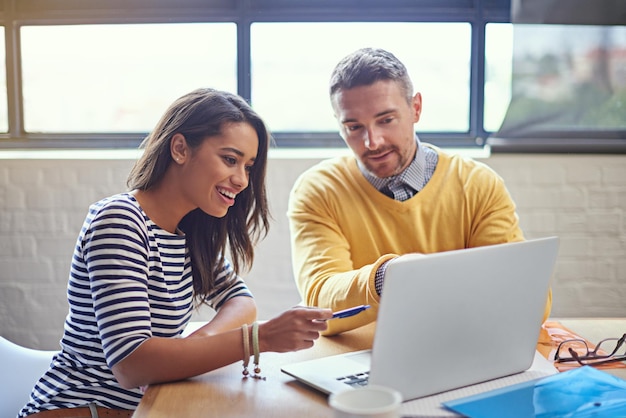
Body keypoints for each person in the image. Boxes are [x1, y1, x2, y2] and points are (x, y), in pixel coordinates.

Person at [19, 88, 332, 417]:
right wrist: (260, 339)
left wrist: (196, 344)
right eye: (230, 159)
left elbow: (241, 300)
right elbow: (132, 365)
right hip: (81, 409)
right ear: (181, 149)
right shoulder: (120, 222)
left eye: (248, 167)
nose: (241, 180)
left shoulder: (188, 232)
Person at [287, 48, 552, 336]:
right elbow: (319, 307)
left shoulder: (477, 185)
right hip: (361, 362)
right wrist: (388, 277)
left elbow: (527, 301)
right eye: (354, 127)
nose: (372, 142)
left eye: (386, 120)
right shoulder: (318, 190)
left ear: (415, 109)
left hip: (461, 348)